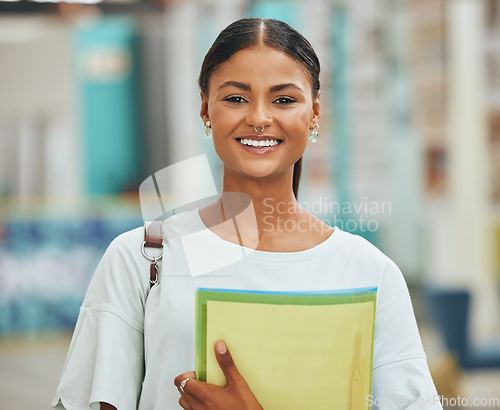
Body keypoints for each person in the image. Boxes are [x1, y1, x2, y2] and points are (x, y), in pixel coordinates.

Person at [53, 18, 442, 410]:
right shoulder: (142, 258)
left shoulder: (369, 273)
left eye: (284, 99)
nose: (258, 118)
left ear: (314, 113)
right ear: (206, 109)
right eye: (236, 98)